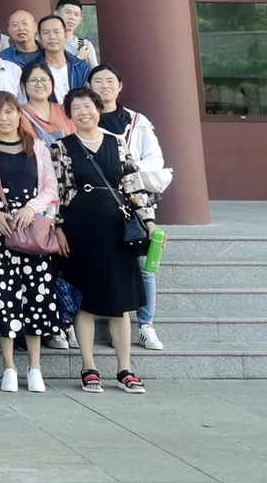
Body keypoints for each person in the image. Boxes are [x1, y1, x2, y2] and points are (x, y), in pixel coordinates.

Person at [51, 87, 157, 394]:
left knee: (119, 304)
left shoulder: (117, 143)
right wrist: (57, 227)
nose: (83, 112)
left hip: (116, 230)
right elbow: (55, 192)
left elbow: (134, 185)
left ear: (99, 110)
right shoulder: (60, 147)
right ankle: (89, 368)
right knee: (84, 303)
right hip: (78, 230)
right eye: (76, 108)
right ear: (69, 115)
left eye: (88, 106)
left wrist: (149, 222)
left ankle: (125, 369)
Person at [0, 91, 59, 393]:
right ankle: (8, 367)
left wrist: (31, 209)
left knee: (36, 299)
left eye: (9, 111)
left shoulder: (37, 146)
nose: (4, 118)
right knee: (3, 298)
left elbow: (50, 187)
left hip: (32, 231)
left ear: (19, 113)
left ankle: (35, 367)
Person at [89, 63, 170, 351]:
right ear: (89, 87)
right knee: (110, 263)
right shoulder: (85, 118)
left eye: (110, 80)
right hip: (99, 202)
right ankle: (117, 323)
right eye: (98, 81)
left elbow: (154, 158)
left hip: (136, 200)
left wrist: (126, 169)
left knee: (145, 266)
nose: (104, 86)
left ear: (120, 86)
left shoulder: (137, 121)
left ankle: (146, 325)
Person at [37, 13, 92, 102]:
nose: (52, 37)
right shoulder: (32, 68)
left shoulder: (80, 66)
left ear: (65, 36)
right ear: (40, 38)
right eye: (46, 33)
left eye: (57, 32)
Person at [19, 61, 74, 144]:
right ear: (24, 85)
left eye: (44, 80)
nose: (39, 85)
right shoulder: (20, 115)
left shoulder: (64, 110)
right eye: (33, 80)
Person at [56, 0, 99, 67]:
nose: (72, 17)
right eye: (68, 12)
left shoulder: (85, 45)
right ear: (56, 14)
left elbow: (95, 70)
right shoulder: (44, 42)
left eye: (76, 14)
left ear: (80, 20)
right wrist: (79, 57)